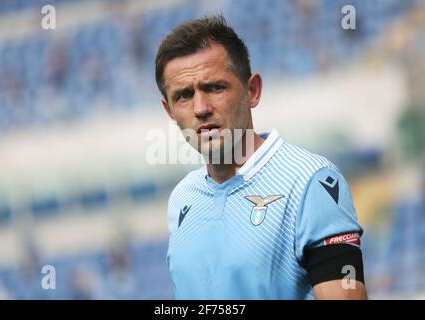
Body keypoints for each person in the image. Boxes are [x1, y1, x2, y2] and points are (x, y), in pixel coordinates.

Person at [154, 14, 367, 300]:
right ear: (169, 111)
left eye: (215, 87)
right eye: (184, 95)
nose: (201, 108)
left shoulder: (311, 182)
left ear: (252, 90)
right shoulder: (181, 199)